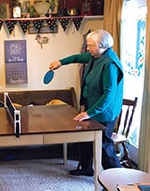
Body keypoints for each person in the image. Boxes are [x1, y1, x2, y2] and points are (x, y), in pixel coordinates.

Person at [49, 29, 124, 176]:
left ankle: (117, 179)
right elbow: (77, 57)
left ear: (102, 45)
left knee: (104, 145)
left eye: (90, 45)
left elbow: (109, 94)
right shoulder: (94, 56)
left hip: (105, 111)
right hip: (93, 105)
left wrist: (88, 113)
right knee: (84, 136)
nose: (87, 48)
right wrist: (60, 62)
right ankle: (86, 168)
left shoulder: (109, 64)